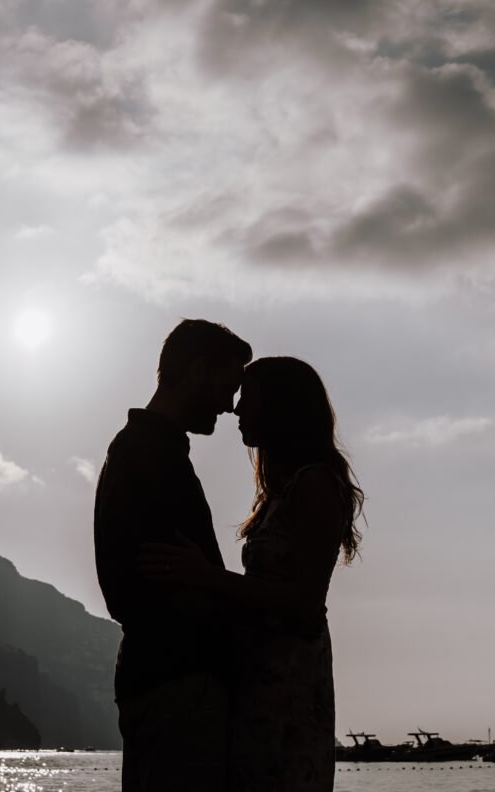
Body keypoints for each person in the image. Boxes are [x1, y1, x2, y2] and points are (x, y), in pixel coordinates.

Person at [139, 356, 364, 792]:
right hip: (260, 678)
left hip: (287, 686)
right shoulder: (283, 489)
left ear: (281, 408)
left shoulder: (315, 484)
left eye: (249, 399)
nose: (237, 410)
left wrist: (207, 577)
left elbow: (304, 602)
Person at [93, 318, 252, 792]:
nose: (231, 406)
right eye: (231, 385)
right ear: (200, 371)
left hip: (159, 674)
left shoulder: (145, 448)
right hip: (178, 680)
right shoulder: (151, 454)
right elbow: (150, 585)